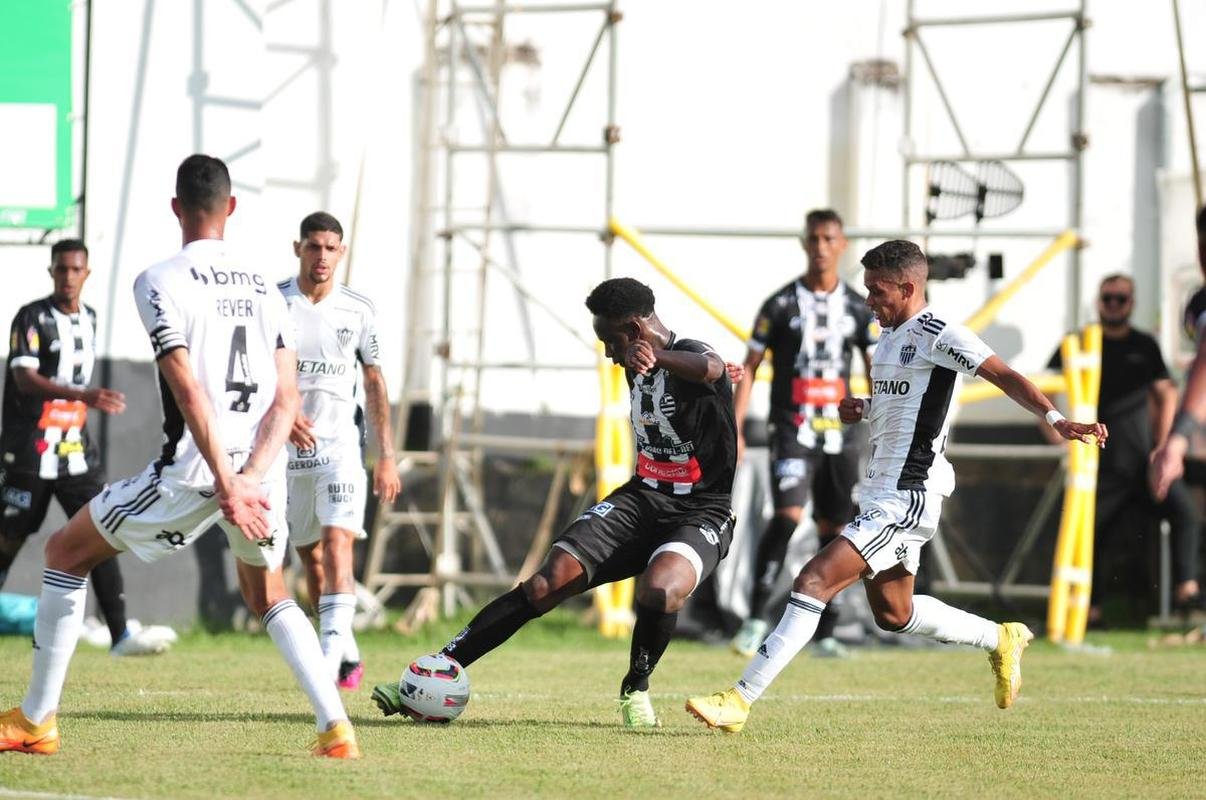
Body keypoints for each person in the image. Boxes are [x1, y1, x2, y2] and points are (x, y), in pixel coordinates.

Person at [0, 155, 359, 758]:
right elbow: (286, 397)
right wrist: (248, 480)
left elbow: (188, 389)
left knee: (64, 553)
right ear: (232, 208)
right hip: (258, 476)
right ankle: (336, 728)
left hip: (194, 474)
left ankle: (36, 721)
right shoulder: (267, 289)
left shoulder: (158, 280)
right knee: (269, 594)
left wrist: (224, 481)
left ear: (176, 208)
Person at [686, 239, 1107, 733]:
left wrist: (1058, 419)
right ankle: (999, 637)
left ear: (908, 287)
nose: (868, 300)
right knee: (894, 612)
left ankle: (739, 699)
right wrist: (863, 407)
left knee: (813, 580)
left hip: (908, 496)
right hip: (882, 490)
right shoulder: (887, 337)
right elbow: (906, 406)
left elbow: (1004, 375)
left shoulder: (940, 332)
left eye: (876, 291)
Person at [371, 277, 740, 728]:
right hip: (641, 498)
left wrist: (661, 356)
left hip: (702, 510)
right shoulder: (634, 359)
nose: (608, 352)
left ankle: (635, 688)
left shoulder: (680, 353)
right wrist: (649, 358)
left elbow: (713, 368)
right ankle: (433, 671)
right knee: (546, 584)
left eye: (610, 340)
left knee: (660, 590)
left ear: (637, 329)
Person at [0, 240, 171, 656]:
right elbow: (24, 379)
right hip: (30, 454)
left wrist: (82, 401)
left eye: (76, 270)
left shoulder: (90, 318)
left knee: (103, 530)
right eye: (61, 270)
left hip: (75, 455)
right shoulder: (32, 317)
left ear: (86, 273)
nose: (68, 277)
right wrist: (84, 395)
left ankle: (120, 636)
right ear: (52, 271)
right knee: (8, 541)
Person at [729, 209, 876, 658]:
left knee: (834, 529)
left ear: (842, 244)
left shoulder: (856, 306)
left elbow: (875, 370)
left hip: (841, 434)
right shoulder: (778, 305)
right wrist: (735, 429)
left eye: (829, 238)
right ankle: (754, 619)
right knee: (788, 515)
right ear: (804, 243)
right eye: (813, 238)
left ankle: (826, 631)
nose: (821, 247)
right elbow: (749, 368)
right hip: (792, 427)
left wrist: (882, 422)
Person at [278, 211, 401, 690]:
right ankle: (344, 649)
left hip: (340, 448)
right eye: (314, 246)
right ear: (298, 249)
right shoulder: (274, 301)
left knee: (338, 544)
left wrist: (385, 454)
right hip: (286, 456)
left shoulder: (359, 309)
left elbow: (374, 381)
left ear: (341, 252)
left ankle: (327, 666)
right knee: (309, 559)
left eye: (331, 248)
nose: (322, 256)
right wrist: (283, 416)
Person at [1047, 275, 1199, 617]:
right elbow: (1045, 387)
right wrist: (1056, 433)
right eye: (1108, 298)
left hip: (1143, 460)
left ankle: (1187, 593)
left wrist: (1163, 447)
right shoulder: (1081, 341)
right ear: (1098, 301)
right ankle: (1090, 609)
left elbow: (1166, 393)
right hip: (1096, 460)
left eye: (1121, 299)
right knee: (1090, 534)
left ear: (1132, 303)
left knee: (1185, 513)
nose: (1114, 305)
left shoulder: (1143, 344)